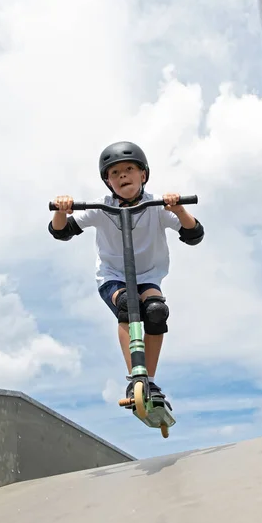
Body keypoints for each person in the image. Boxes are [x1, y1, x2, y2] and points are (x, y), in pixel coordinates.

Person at [49, 141, 204, 409]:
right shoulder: (101, 208)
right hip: (112, 277)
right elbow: (61, 232)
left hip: (148, 276)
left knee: (156, 312)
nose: (122, 176)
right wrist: (61, 213)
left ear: (143, 174)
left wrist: (178, 208)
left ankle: (149, 381)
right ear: (108, 182)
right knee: (128, 304)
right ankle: (136, 377)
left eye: (129, 169)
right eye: (115, 173)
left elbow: (193, 235)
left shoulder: (156, 206)